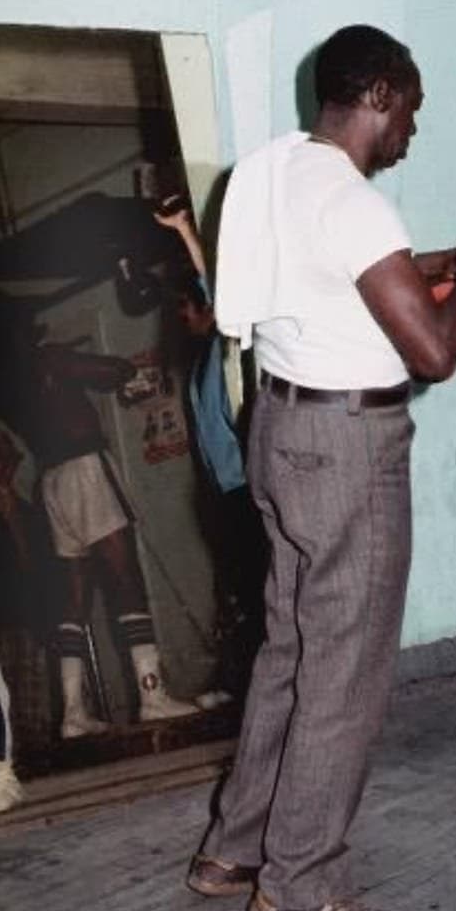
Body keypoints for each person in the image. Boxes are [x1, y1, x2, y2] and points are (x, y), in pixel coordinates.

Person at [187, 24, 456, 911]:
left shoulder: (272, 171)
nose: (414, 127)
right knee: (346, 673)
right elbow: (431, 352)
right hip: (349, 449)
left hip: (280, 432)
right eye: (410, 106)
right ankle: (298, 886)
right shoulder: (361, 206)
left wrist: (440, 260)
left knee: (289, 650)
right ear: (378, 94)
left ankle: (233, 850)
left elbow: (345, 281)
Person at [0, 301, 199, 737]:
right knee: (126, 580)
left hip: (52, 482)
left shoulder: (7, 383)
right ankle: (153, 695)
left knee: (74, 598)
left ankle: (72, 712)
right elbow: (110, 370)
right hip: (86, 469)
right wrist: (129, 373)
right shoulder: (47, 357)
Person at [153, 198, 267, 698]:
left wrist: (184, 231)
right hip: (225, 493)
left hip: (248, 487)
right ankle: (246, 682)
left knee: (261, 590)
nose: (182, 319)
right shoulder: (202, 369)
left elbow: (219, 289)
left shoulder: (226, 348)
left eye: (185, 308)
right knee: (241, 590)